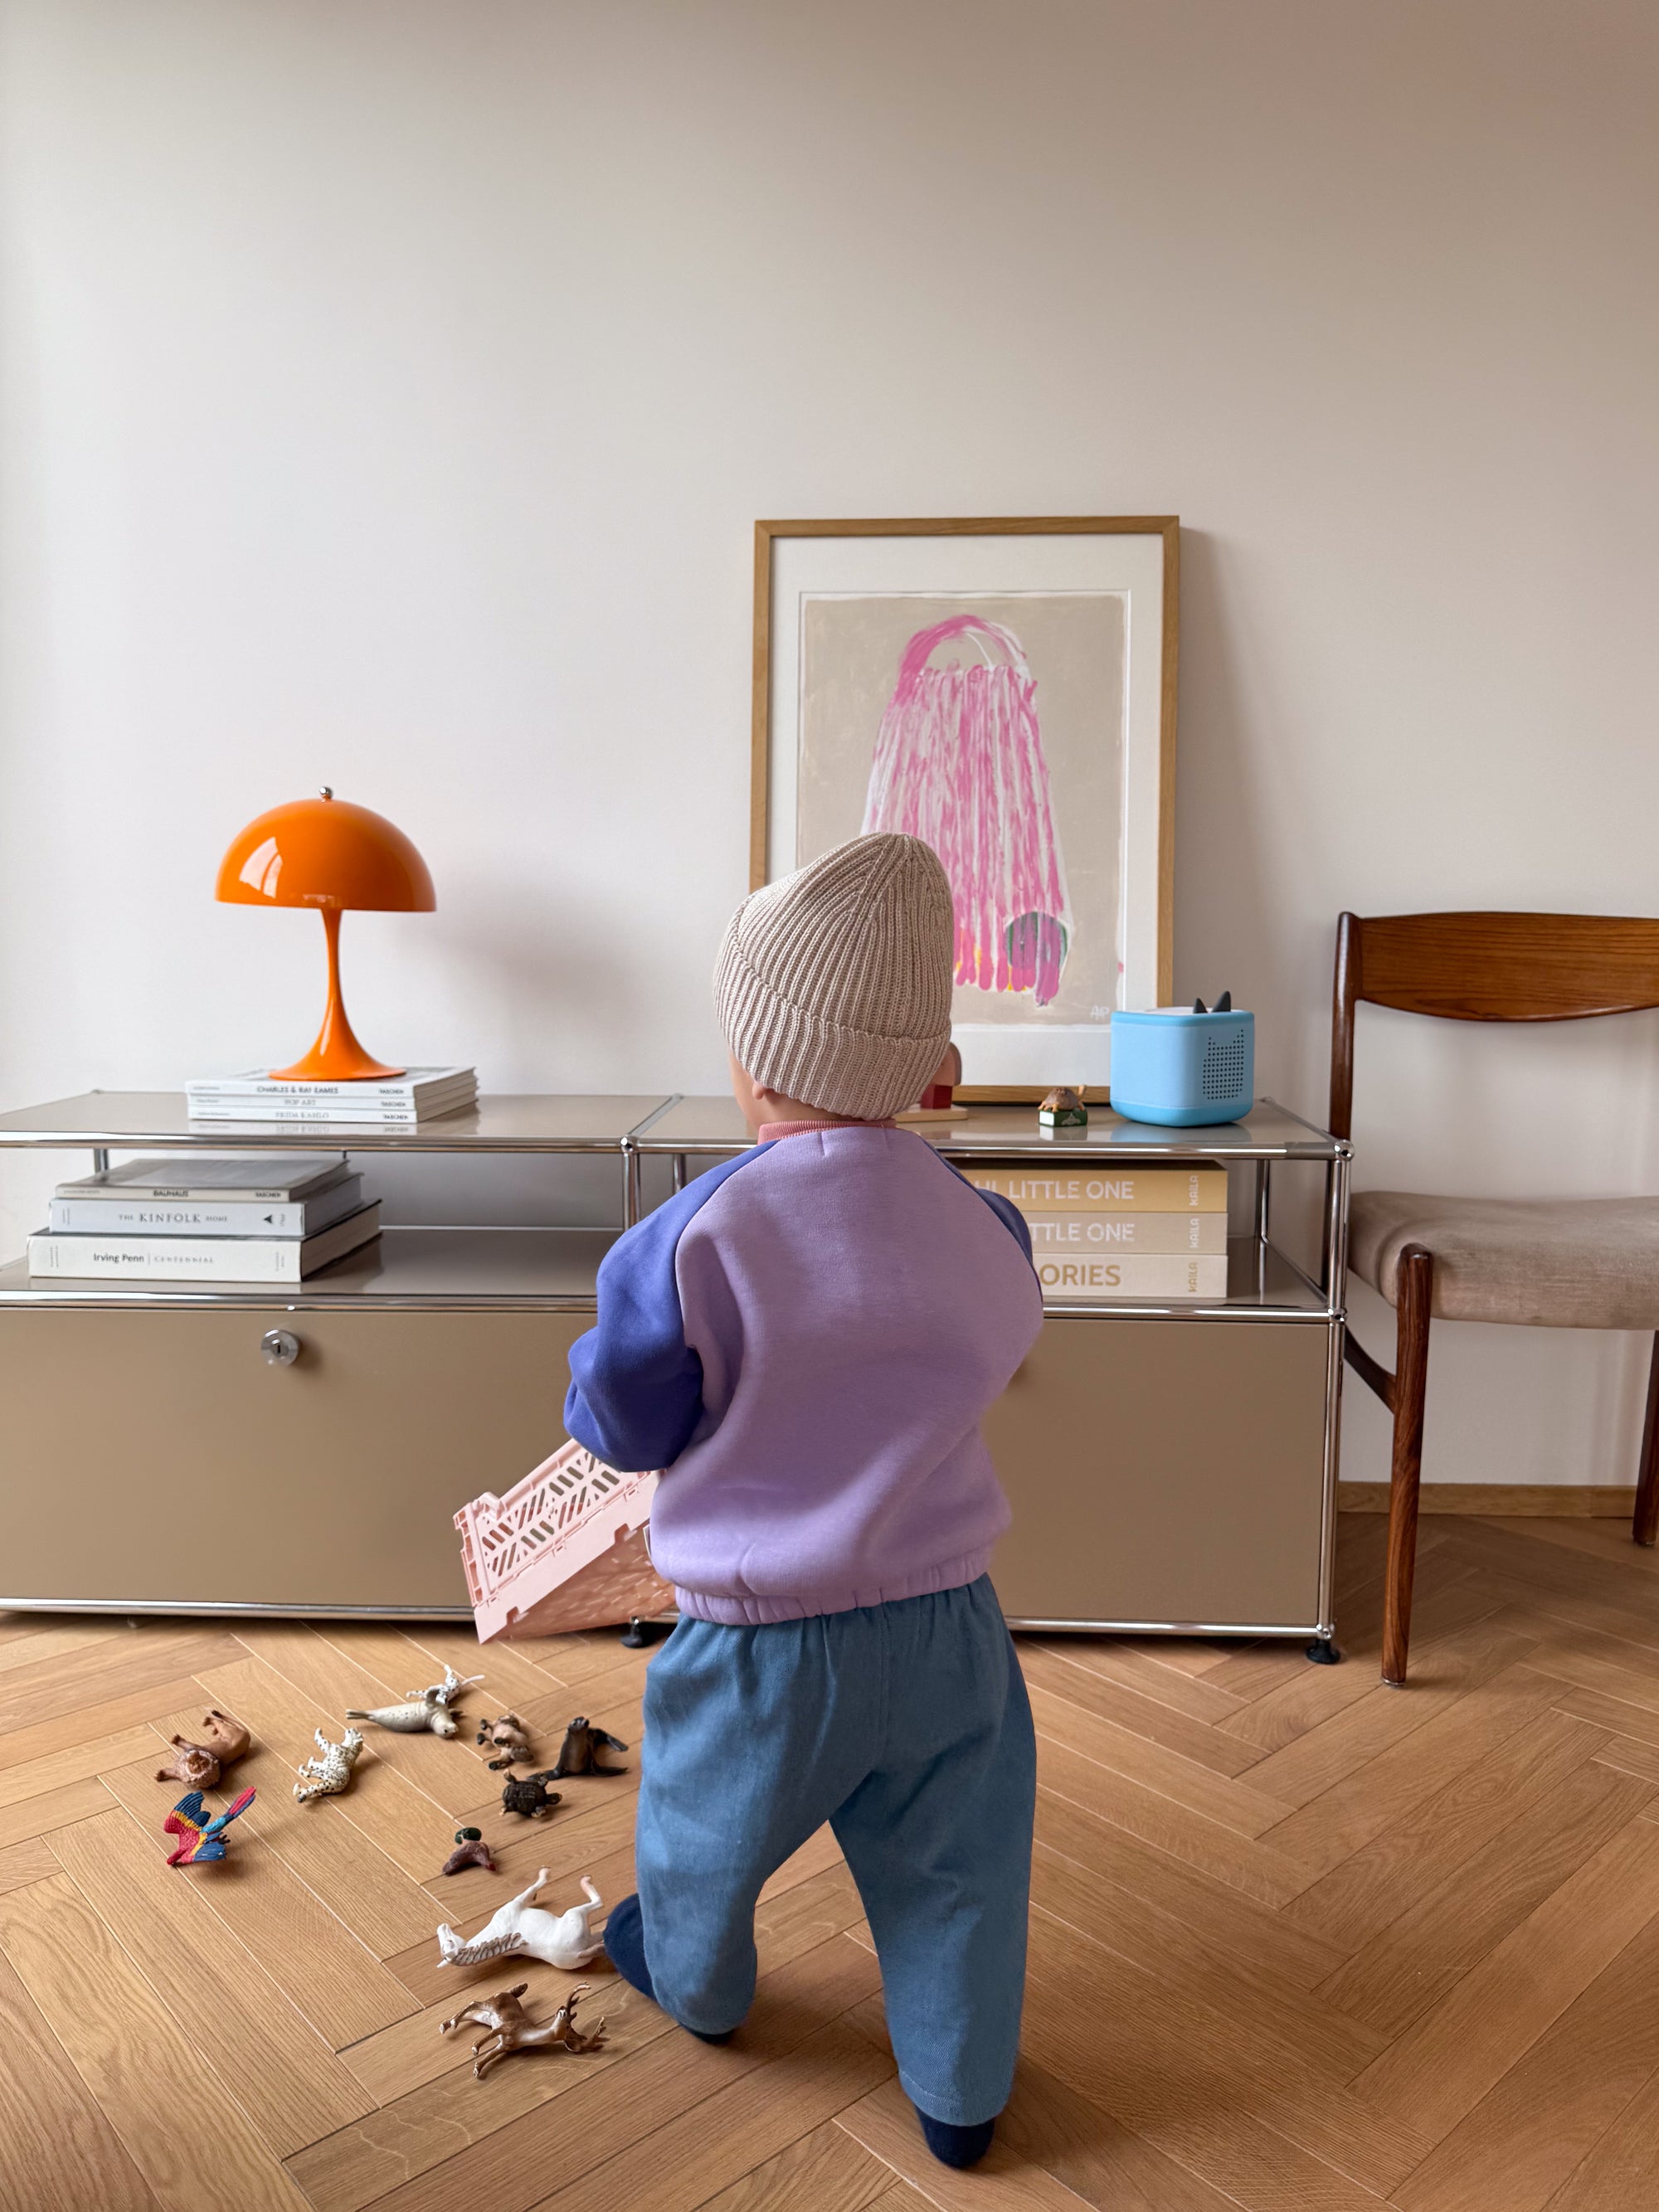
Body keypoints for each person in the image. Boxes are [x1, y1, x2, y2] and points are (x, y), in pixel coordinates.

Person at [564, 830, 1043, 2169]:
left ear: (757, 1062)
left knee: (703, 1841)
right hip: (951, 1626)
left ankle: (700, 1986)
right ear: (933, 1069)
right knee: (960, 1867)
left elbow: (625, 1418)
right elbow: (996, 1345)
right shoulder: (985, 1222)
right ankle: (961, 2095)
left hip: (759, 1640)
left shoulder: (694, 1232)